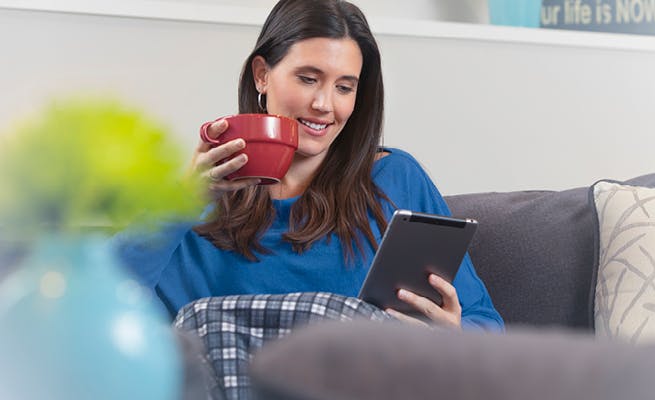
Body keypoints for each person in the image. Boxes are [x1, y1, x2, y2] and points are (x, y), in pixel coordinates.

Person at [118, 0, 501, 337]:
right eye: (308, 78)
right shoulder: (198, 197)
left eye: (344, 87)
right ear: (262, 75)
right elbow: (100, 304)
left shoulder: (394, 180)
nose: (324, 104)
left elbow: (486, 324)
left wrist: (455, 336)